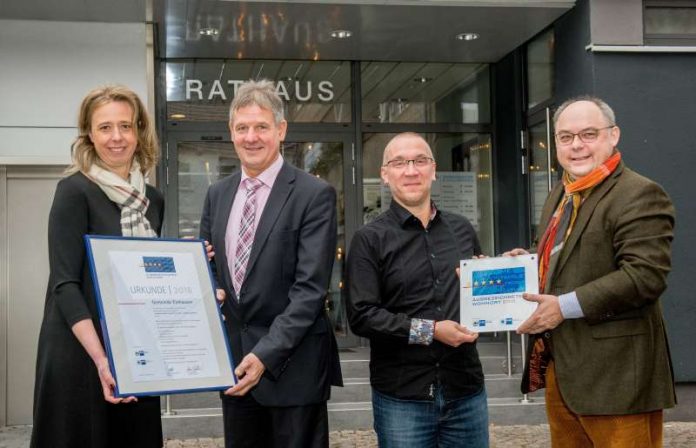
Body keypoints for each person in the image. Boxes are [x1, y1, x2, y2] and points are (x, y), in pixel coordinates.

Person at [509, 96, 676, 447]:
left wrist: (563, 306)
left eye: (588, 134)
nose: (576, 146)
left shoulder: (639, 193)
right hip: (564, 369)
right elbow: (569, 255)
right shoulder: (562, 192)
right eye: (566, 137)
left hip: (617, 378)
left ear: (613, 136)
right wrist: (524, 261)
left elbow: (645, 276)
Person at [199, 79, 342, 448]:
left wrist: (264, 354)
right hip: (235, 369)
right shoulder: (217, 195)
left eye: (261, 126)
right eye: (242, 127)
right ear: (231, 133)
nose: (251, 137)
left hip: (293, 370)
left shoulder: (314, 194)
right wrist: (201, 275)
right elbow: (213, 268)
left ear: (280, 130)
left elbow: (309, 291)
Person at [31, 85, 164, 447]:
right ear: (89, 134)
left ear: (139, 130)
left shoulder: (152, 200)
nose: (116, 137)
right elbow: (64, 283)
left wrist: (185, 267)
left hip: (135, 348)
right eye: (105, 127)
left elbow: (145, 274)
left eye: (125, 125)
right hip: (80, 351)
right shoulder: (74, 190)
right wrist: (103, 359)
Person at [346, 132, 489, 448]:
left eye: (420, 161)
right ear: (385, 174)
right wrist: (431, 331)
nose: (411, 171)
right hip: (403, 397)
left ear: (433, 170)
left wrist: (506, 275)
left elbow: (478, 297)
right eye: (399, 162)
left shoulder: (462, 229)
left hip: (465, 389)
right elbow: (362, 316)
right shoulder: (369, 239)